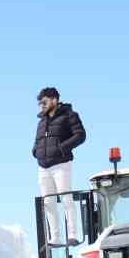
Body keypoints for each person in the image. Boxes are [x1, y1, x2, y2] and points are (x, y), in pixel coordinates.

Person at [33, 87, 87, 247]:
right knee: (48, 202)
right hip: (43, 167)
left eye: (44, 101)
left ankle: (72, 235)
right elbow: (37, 142)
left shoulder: (69, 115)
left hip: (61, 165)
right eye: (39, 103)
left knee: (66, 198)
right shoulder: (41, 121)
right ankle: (55, 238)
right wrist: (35, 152)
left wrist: (62, 148)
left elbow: (80, 135)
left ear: (54, 100)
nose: (41, 105)